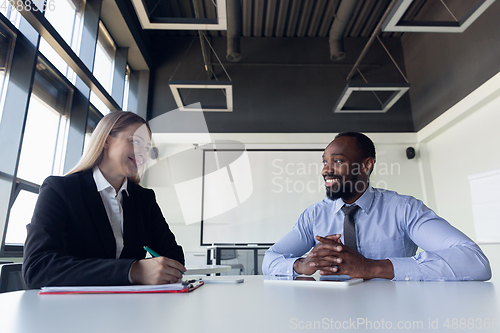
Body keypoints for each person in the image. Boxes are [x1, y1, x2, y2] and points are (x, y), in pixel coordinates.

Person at [262, 132, 491, 281]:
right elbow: (270, 260)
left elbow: (475, 262)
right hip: (329, 318)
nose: (326, 170)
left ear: (367, 165)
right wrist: (303, 264)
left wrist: (372, 267)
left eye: (337, 161)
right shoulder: (314, 215)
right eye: (325, 161)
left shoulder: (404, 209)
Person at [23, 111, 186, 288]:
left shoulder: (143, 199)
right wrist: (132, 271)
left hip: (133, 307)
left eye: (146, 148)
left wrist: (156, 269)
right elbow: (38, 268)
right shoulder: (60, 190)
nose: (143, 154)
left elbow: (174, 259)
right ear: (106, 140)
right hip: (72, 310)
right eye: (135, 141)